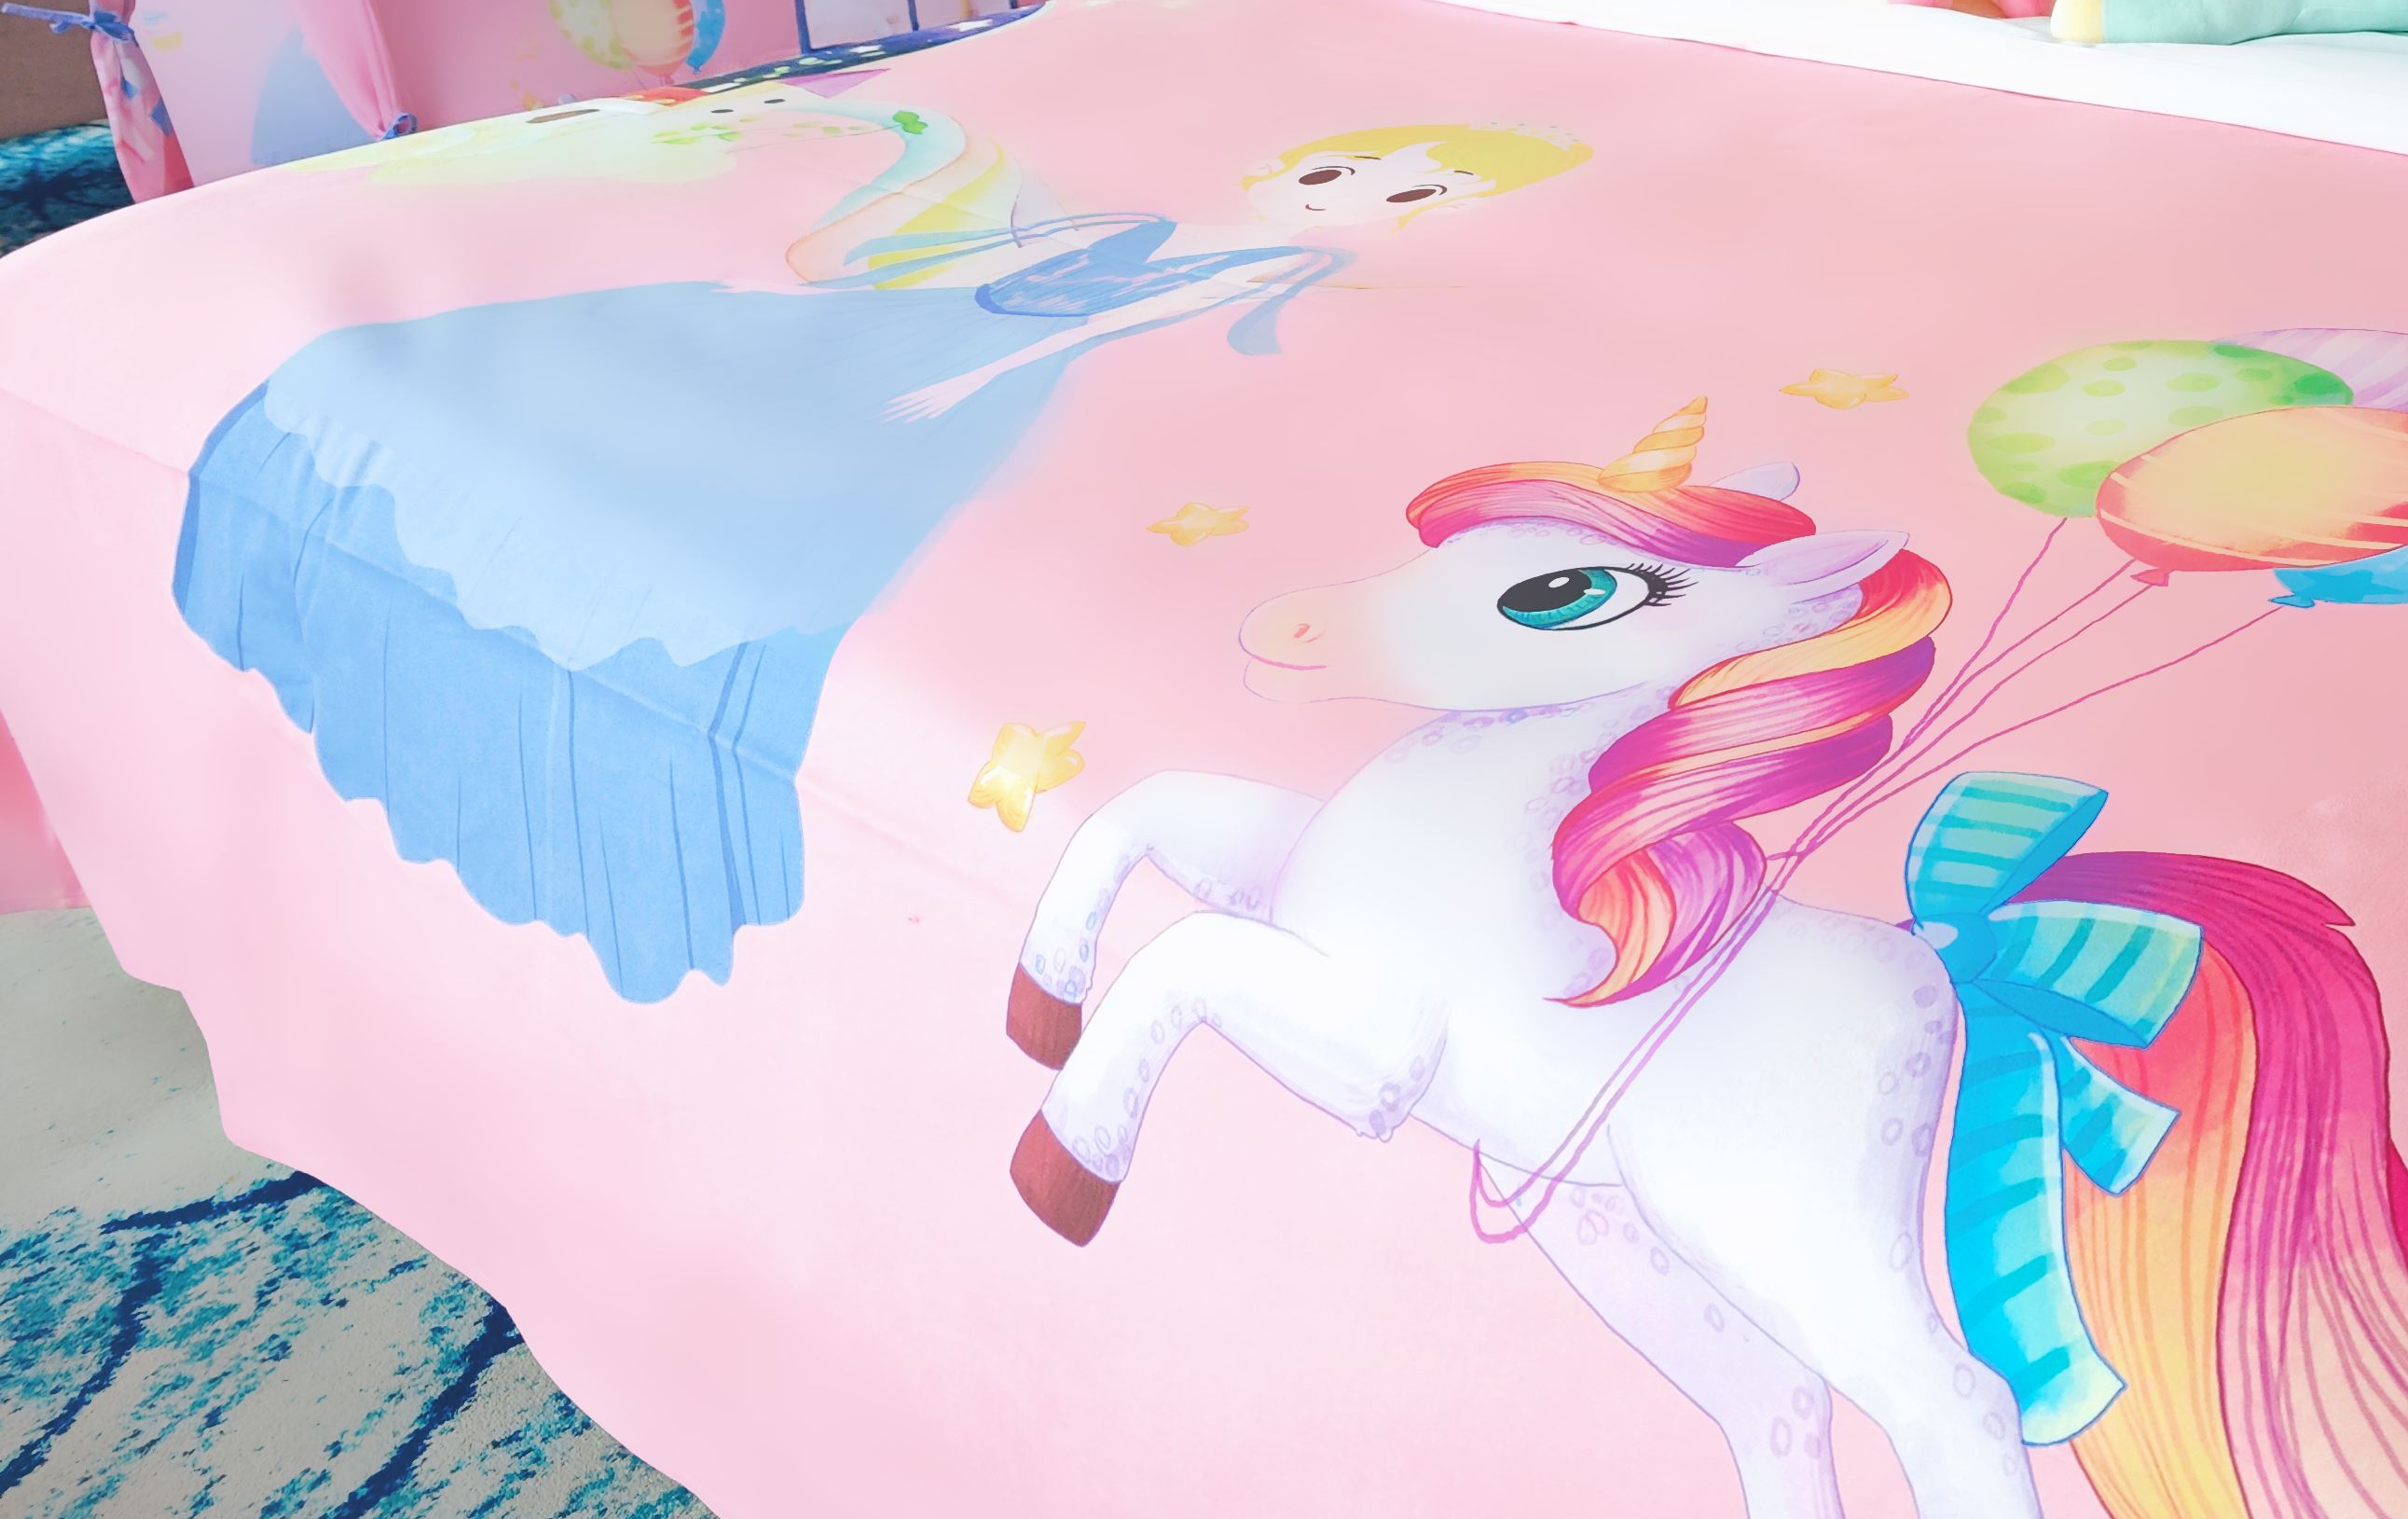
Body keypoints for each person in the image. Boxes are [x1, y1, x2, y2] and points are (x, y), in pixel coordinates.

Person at [173, 107, 1590, 1001]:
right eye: (1344, 169)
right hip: (881, 340)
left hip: (937, 389)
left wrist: (953, 382)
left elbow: (1118, 331)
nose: (1352, 194)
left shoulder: (1254, 267)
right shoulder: (1151, 220)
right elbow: (960, 265)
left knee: (770, 558)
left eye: (1407, 196)